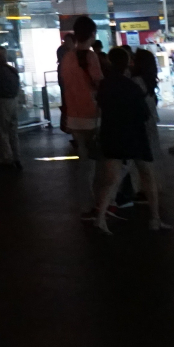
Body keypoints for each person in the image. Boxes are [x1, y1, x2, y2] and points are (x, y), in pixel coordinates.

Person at [90, 46, 168, 233]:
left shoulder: (105, 84)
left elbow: (100, 108)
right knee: (147, 174)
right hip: (135, 135)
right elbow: (143, 114)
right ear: (127, 63)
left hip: (112, 134)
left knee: (112, 178)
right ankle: (155, 218)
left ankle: (100, 218)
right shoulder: (132, 86)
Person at [59, 18, 103, 215]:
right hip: (92, 114)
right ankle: (100, 202)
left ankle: (86, 204)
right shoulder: (91, 57)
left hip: (74, 114)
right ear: (92, 34)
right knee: (97, 161)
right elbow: (99, 83)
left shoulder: (67, 58)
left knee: (84, 160)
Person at [0, 45, 23, 169]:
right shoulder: (12, 70)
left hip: (2, 102)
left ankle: (7, 159)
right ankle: (16, 157)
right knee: (13, 132)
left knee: (2, 132)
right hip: (13, 101)